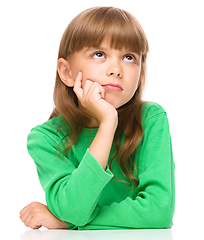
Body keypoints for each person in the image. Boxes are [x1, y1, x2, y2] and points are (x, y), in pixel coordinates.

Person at [19, 6, 175, 230]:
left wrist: (67, 222)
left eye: (129, 57)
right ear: (67, 72)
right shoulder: (46, 139)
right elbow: (75, 209)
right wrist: (107, 124)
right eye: (99, 54)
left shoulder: (150, 119)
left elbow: (158, 212)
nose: (116, 69)